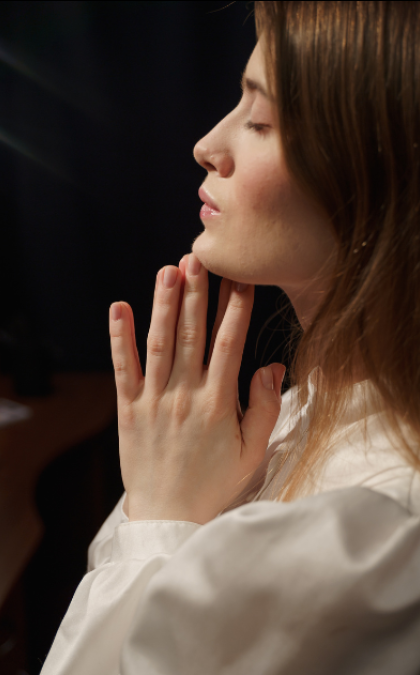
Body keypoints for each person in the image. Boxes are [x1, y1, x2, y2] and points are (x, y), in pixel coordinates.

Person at [40, 2, 420, 673]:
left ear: (374, 171)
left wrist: (163, 518)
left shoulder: (372, 537)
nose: (207, 145)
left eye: (261, 121)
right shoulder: (301, 416)